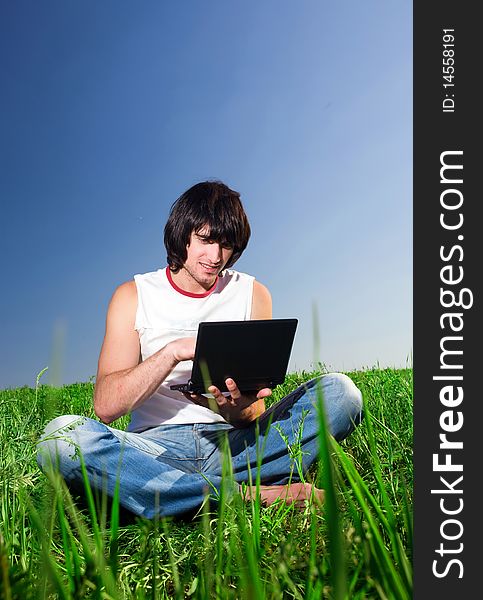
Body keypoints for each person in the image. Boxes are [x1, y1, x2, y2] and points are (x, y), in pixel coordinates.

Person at [37, 180, 363, 519]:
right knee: (61, 438)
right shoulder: (133, 295)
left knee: (342, 394)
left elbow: (252, 414)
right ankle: (251, 495)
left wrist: (232, 407)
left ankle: (167, 490)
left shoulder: (253, 293)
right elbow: (106, 406)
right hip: (153, 448)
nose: (215, 256)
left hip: (233, 445)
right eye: (206, 240)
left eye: (227, 245)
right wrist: (173, 352)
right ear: (183, 235)